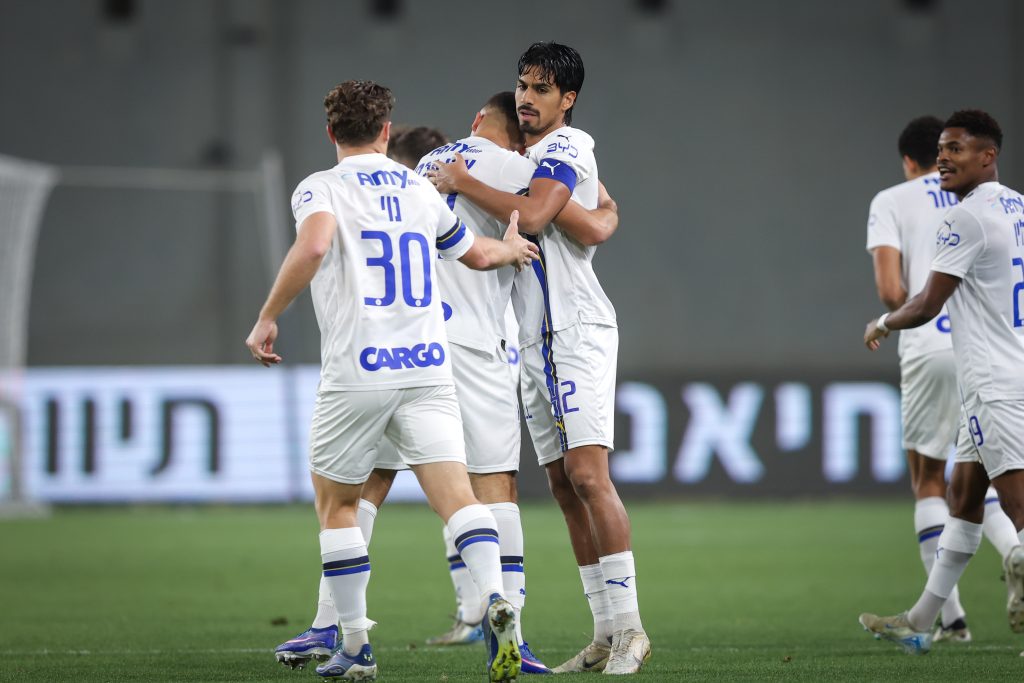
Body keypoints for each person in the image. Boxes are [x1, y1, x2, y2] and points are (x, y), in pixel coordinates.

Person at [245, 79, 538, 682]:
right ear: (385, 131)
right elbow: (475, 254)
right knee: (459, 499)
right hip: (428, 369)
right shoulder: (418, 188)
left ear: (331, 132)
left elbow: (315, 244)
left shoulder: (321, 187)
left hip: (359, 369)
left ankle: (354, 644)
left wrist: (268, 315)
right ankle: (496, 598)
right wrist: (511, 250)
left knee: (339, 505)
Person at [428, 42, 649, 674]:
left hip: (573, 330)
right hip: (531, 339)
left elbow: (535, 214)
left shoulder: (568, 146)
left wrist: (463, 182)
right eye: (522, 86)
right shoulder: (525, 160)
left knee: (588, 476)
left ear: (567, 99)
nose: (527, 98)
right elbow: (593, 221)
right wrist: (604, 216)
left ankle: (632, 628)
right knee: (560, 484)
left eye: (542, 88)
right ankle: (604, 632)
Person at [860, 109, 1024, 654]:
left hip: (993, 383)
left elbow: (927, 303)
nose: (944, 159)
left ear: (988, 155)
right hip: (1002, 373)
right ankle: (922, 618)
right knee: (964, 496)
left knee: (1018, 508)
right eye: (941, 150)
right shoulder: (1018, 207)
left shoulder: (964, 218)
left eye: (956, 149)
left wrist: (883, 323)